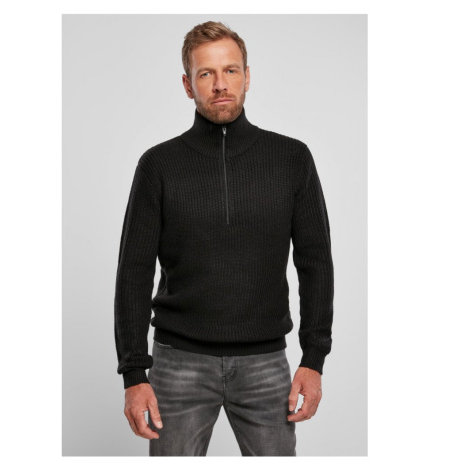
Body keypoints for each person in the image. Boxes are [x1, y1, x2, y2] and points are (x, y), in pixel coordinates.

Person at [114, 21, 334, 457]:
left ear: (247, 76)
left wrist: (314, 359)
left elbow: (316, 263)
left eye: (231, 70)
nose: (220, 84)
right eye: (206, 73)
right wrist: (134, 374)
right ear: (187, 84)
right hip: (177, 364)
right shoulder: (158, 165)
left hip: (265, 365)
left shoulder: (292, 158)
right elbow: (133, 273)